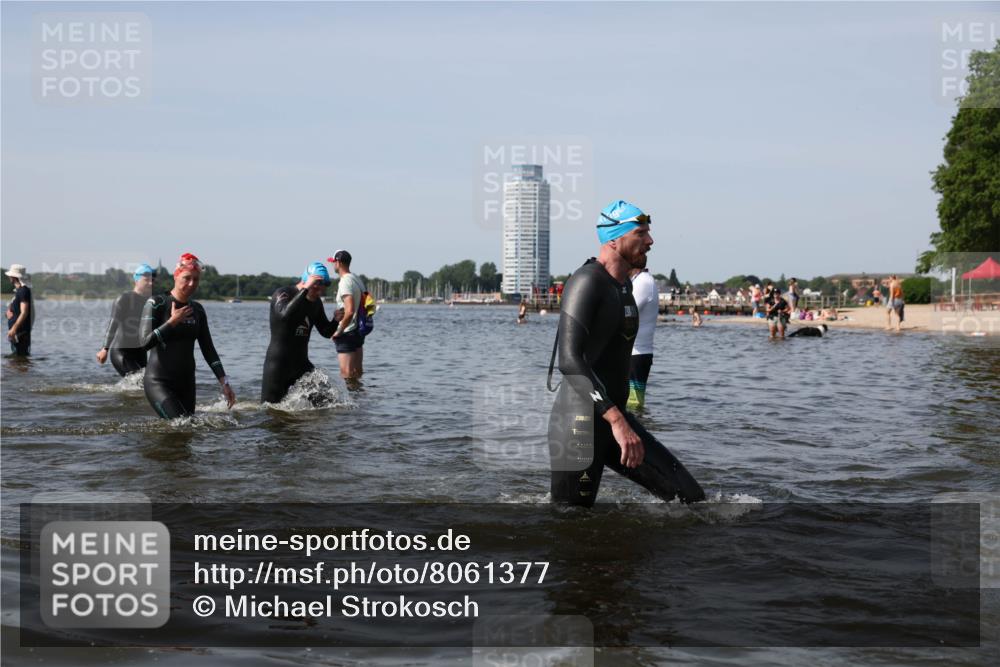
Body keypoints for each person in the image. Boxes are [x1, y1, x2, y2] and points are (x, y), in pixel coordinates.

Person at [547, 200, 704, 507]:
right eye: (641, 233)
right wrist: (617, 420)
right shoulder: (586, 282)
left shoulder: (623, 287)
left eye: (648, 233)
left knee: (691, 499)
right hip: (580, 425)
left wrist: (620, 421)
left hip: (614, 420)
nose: (650, 241)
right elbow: (569, 359)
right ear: (614, 239)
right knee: (570, 523)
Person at [139, 253, 236, 418]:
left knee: (187, 433)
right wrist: (172, 322)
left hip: (187, 384)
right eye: (186, 278)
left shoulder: (197, 310)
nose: (191, 284)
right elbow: (143, 343)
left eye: (196, 279)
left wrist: (224, 382)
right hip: (159, 382)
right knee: (180, 425)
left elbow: (208, 349)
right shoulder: (157, 303)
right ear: (176, 276)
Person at [261, 262, 341, 403]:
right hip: (278, 365)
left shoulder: (316, 303)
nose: (320, 291)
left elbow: (326, 332)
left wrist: (335, 320)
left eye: (323, 286)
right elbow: (284, 316)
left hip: (301, 364)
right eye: (316, 285)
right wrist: (305, 289)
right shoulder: (283, 293)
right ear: (306, 280)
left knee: (329, 401)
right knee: (270, 411)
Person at [96, 264, 154, 376]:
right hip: (122, 352)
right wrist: (105, 349)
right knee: (139, 382)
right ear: (136, 280)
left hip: (141, 353)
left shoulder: (151, 301)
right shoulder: (124, 299)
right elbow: (113, 324)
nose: (150, 283)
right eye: (146, 280)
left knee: (144, 384)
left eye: (152, 280)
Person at [328, 249, 366, 380]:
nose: (333, 265)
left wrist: (339, 331)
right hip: (359, 331)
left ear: (338, 262)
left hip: (347, 332)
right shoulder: (357, 279)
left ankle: (350, 399)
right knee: (357, 372)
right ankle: (358, 398)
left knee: (346, 373)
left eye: (333, 262)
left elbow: (349, 311)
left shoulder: (345, 282)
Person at [626, 265, 658, 411]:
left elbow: (625, 313)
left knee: (633, 406)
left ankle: (638, 431)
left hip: (636, 353)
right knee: (628, 405)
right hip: (632, 352)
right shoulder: (638, 281)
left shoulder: (643, 282)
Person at [5, 264, 33, 356]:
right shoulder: (19, 291)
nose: (9, 277)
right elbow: (18, 310)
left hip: (20, 333)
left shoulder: (23, 291)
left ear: (14, 277)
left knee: (20, 360)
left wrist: (13, 329)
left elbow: (24, 312)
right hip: (17, 333)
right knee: (17, 362)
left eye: (10, 275)